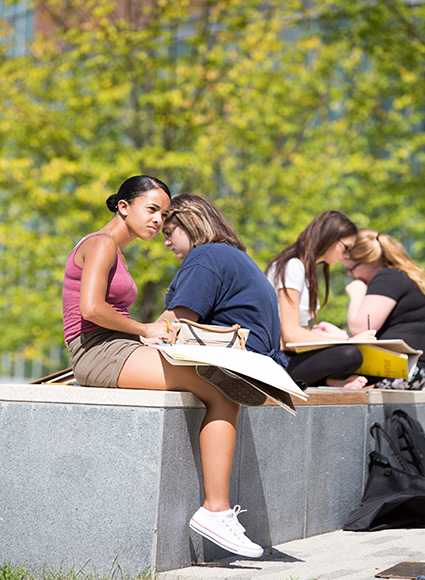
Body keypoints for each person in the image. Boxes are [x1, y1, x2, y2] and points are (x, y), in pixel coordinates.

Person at [62, 176, 263, 559]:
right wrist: (144, 329)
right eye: (151, 210)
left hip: (116, 347)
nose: (158, 221)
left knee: (223, 381)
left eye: (164, 214)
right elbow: (91, 309)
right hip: (97, 352)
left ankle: (217, 510)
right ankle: (215, 511)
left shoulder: (114, 251)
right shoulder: (100, 244)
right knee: (221, 388)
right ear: (124, 206)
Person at [157, 193, 287, 370]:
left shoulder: (206, 255)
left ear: (192, 221)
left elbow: (174, 324)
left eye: (168, 232)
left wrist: (130, 338)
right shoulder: (230, 254)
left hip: (237, 366)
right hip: (261, 365)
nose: (166, 242)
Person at [266, 211, 376, 389]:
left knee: (365, 362)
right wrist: (348, 341)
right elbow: (290, 335)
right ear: (331, 237)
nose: (346, 256)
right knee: (351, 354)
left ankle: (330, 380)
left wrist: (325, 336)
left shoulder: (304, 269)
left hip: (291, 355)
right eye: (346, 248)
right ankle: (329, 380)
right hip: (279, 359)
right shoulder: (293, 265)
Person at [342, 228, 425, 390]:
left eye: (352, 268)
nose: (351, 274)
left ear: (373, 260)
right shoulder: (404, 275)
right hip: (413, 370)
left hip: (406, 372)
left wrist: (357, 293)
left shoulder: (388, 277)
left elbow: (361, 327)